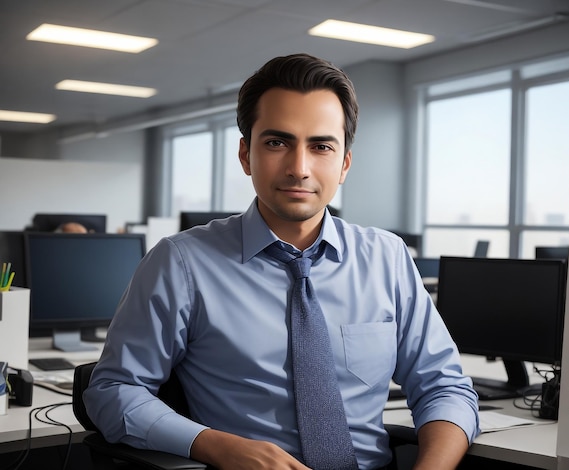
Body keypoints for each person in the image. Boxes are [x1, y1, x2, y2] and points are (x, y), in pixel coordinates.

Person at [84, 53, 480, 470]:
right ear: (245, 155)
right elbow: (113, 390)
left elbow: (445, 387)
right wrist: (216, 446)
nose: (299, 168)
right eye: (277, 142)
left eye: (321, 146)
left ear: (344, 163)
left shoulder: (387, 257)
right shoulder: (181, 263)